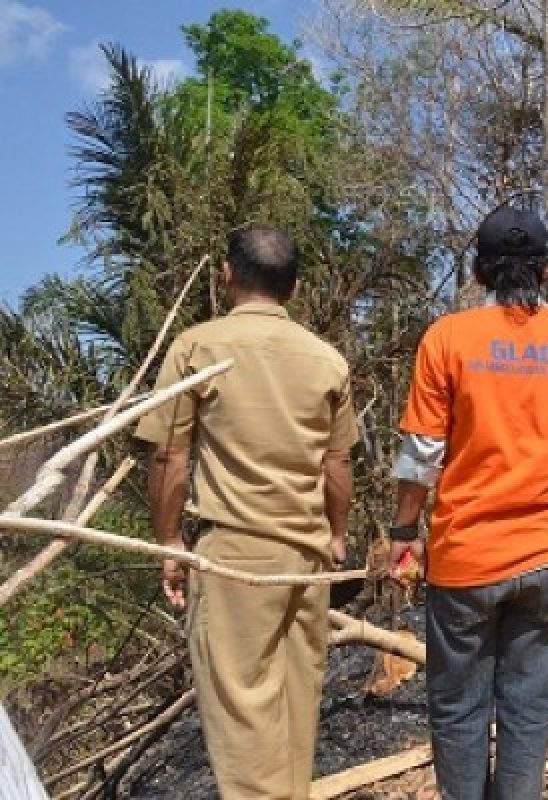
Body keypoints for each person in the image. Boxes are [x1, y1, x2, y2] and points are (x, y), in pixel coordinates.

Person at [389, 206, 548, 800]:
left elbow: (421, 456)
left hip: (466, 560)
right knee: (529, 710)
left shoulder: (447, 338)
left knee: (459, 708)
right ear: (547, 274)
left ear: (479, 270)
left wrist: (403, 532)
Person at [135, 226, 358, 799]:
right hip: (305, 559)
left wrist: (170, 544)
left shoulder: (197, 348)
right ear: (295, 286)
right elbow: (337, 464)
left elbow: (170, 458)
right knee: (294, 707)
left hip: (234, 555)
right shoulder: (325, 359)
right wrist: (337, 537)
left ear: (227, 276)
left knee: (242, 715)